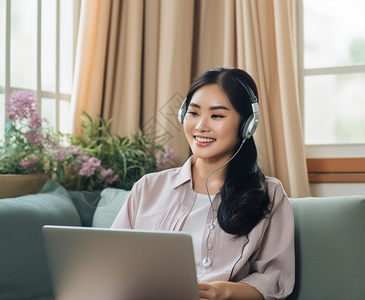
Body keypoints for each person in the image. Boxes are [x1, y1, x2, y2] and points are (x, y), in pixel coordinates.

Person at [111, 66, 295, 300]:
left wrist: (221, 291)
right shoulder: (148, 188)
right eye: (194, 113)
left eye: (217, 116)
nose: (200, 126)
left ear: (247, 125)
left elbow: (274, 278)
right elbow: (113, 261)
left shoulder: (269, 193)